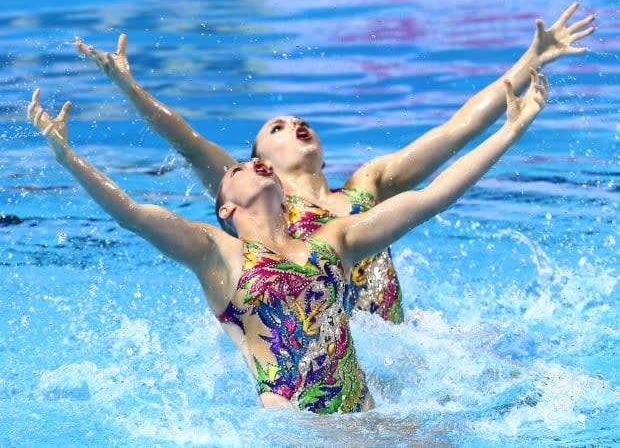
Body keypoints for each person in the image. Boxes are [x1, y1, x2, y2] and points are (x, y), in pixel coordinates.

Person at [27, 66, 547, 413]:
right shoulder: (218, 253)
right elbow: (134, 214)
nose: (250, 163)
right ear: (225, 205)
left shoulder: (336, 240)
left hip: (370, 423)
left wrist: (510, 132)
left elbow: (435, 196)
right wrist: (69, 159)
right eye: (237, 167)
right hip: (291, 435)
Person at [74, 2, 592, 324]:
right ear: (259, 163)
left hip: (392, 349)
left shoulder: (369, 183)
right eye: (274, 128)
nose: (294, 125)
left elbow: (456, 130)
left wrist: (530, 63)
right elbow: (186, 141)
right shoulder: (257, 198)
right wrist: (129, 88)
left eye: (300, 121)